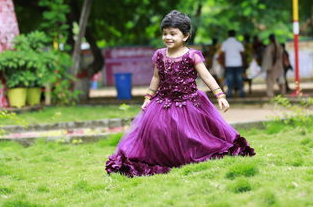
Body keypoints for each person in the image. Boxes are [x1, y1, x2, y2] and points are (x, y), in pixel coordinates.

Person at [105, 10, 255, 177]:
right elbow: (156, 77)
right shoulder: (160, 55)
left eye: (173, 34)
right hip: (163, 102)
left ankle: (193, 157)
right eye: (165, 33)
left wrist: (220, 95)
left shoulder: (192, 55)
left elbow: (206, 76)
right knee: (158, 132)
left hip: (190, 103)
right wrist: (148, 97)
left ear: (185, 36)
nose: (168, 37)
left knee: (189, 134)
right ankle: (163, 159)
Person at [221, 30, 246, 98]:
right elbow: (243, 54)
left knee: (230, 79)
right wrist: (244, 63)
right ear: (235, 35)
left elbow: (222, 54)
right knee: (239, 79)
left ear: (228, 35)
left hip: (229, 64)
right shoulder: (238, 43)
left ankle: (229, 93)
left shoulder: (225, 43)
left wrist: (223, 63)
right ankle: (241, 93)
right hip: (238, 63)